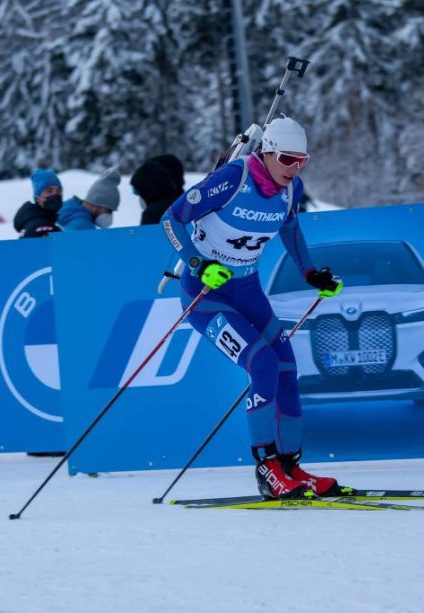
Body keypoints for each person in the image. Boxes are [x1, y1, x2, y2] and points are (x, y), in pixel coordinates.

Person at [160, 116, 346, 500]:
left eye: (302, 161)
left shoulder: (289, 190)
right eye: (288, 160)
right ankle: (267, 470)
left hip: (248, 291)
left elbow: (291, 231)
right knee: (260, 363)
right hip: (206, 294)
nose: (295, 169)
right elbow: (171, 220)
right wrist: (198, 263)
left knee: (287, 368)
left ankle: (292, 467)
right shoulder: (232, 178)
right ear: (268, 152)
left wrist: (312, 274)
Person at [131, 154, 184, 225]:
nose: (140, 198)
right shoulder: (188, 205)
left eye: (141, 193)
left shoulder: (153, 214)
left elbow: (146, 235)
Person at [14, 168, 63, 238]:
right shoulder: (41, 228)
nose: (55, 194)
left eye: (59, 190)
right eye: (49, 191)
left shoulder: (35, 222)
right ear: (37, 197)